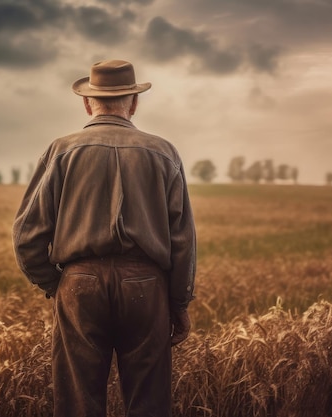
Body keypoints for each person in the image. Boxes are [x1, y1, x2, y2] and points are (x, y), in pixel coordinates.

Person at [12, 59, 196, 417]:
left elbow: (26, 235)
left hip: (80, 284)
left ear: (87, 102)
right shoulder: (164, 152)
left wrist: (58, 284)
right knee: (149, 404)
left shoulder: (60, 150)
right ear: (134, 102)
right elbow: (183, 240)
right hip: (146, 286)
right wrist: (179, 303)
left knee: (78, 403)